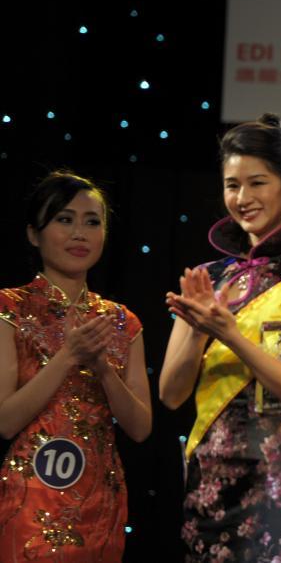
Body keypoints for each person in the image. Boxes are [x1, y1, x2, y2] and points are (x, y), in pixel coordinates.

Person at [159, 114, 281, 562]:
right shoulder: (208, 279)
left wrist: (229, 334)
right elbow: (170, 395)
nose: (243, 198)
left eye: (257, 183)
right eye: (232, 185)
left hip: (276, 486)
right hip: (209, 482)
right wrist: (198, 333)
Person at [0, 171, 151, 561]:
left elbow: (140, 428)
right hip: (30, 497)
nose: (80, 233)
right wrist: (67, 356)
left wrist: (103, 369)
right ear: (34, 234)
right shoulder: (9, 309)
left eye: (92, 222)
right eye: (64, 220)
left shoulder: (121, 321)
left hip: (101, 501)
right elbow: (5, 421)